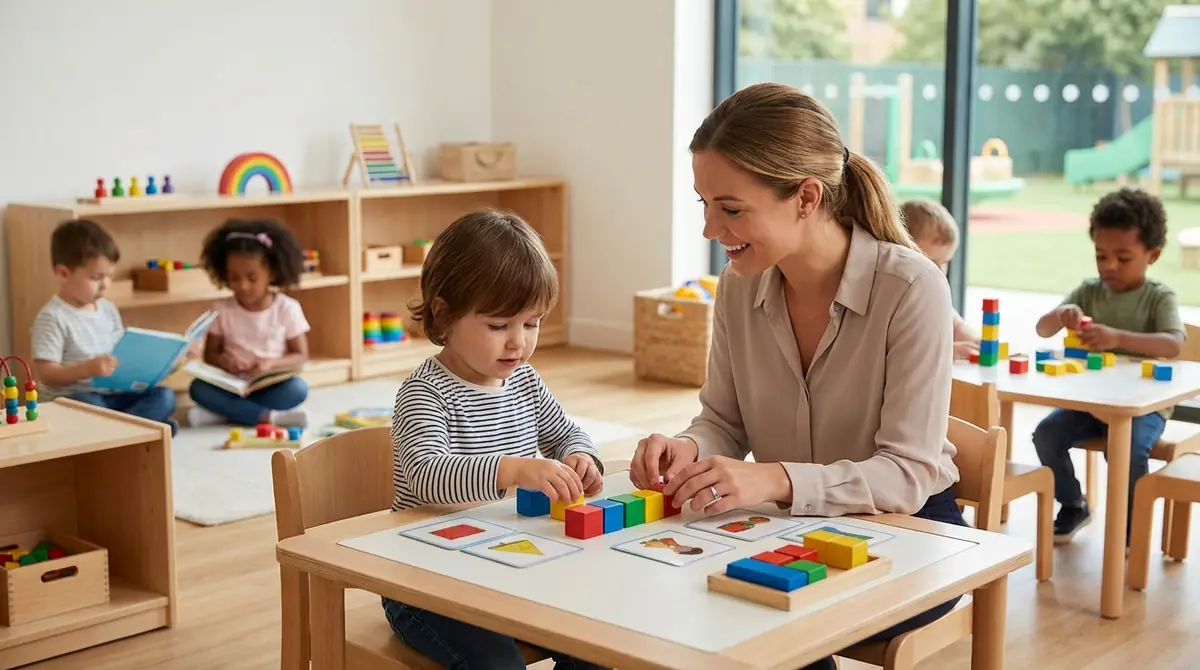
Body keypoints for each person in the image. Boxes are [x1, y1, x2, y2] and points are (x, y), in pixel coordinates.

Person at [628, 82, 963, 670]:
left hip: (907, 530)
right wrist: (688, 448)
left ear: (806, 197)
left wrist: (774, 480)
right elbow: (723, 423)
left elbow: (908, 472)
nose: (710, 229)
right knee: (665, 598)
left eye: (730, 209)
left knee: (757, 623)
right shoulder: (739, 285)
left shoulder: (911, 288)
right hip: (783, 522)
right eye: (704, 204)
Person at [383, 209, 606, 670]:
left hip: (511, 568)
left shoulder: (524, 380)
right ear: (444, 313)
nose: (518, 344)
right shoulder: (425, 392)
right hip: (428, 582)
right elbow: (427, 476)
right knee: (496, 664)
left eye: (532, 323)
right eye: (498, 325)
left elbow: (564, 430)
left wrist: (581, 455)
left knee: (601, 638)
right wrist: (514, 469)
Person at [1031, 188, 1184, 545]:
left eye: (1123, 257)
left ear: (1153, 255)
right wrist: (1060, 316)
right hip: (1093, 402)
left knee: (1128, 450)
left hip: (1143, 407)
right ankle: (1073, 504)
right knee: (1046, 434)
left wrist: (1118, 337)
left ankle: (1131, 527)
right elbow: (1042, 329)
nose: (1109, 266)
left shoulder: (1158, 297)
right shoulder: (1089, 291)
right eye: (1101, 256)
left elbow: (1173, 343)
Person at [31, 219, 178, 434]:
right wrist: (86, 369)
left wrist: (166, 361)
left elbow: (121, 355)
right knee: (88, 405)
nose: (105, 284)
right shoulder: (52, 317)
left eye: (109, 276)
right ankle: (143, 429)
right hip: (76, 398)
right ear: (63, 274)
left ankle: (125, 432)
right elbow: (46, 374)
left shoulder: (107, 309)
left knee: (164, 396)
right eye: (96, 277)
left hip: (114, 395)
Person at [186, 219, 311, 428]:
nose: (243, 285)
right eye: (234, 278)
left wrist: (270, 364)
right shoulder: (222, 309)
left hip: (269, 383)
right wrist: (226, 361)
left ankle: (227, 413)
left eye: (252, 278)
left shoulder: (287, 308)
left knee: (297, 390)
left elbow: (300, 356)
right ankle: (269, 417)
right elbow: (210, 355)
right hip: (231, 383)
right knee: (197, 389)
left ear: (271, 273)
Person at [900, 197, 981, 360]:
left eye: (944, 263)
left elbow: (955, 324)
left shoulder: (932, 293)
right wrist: (947, 351)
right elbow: (906, 349)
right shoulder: (895, 296)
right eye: (931, 262)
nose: (939, 271)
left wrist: (977, 343)